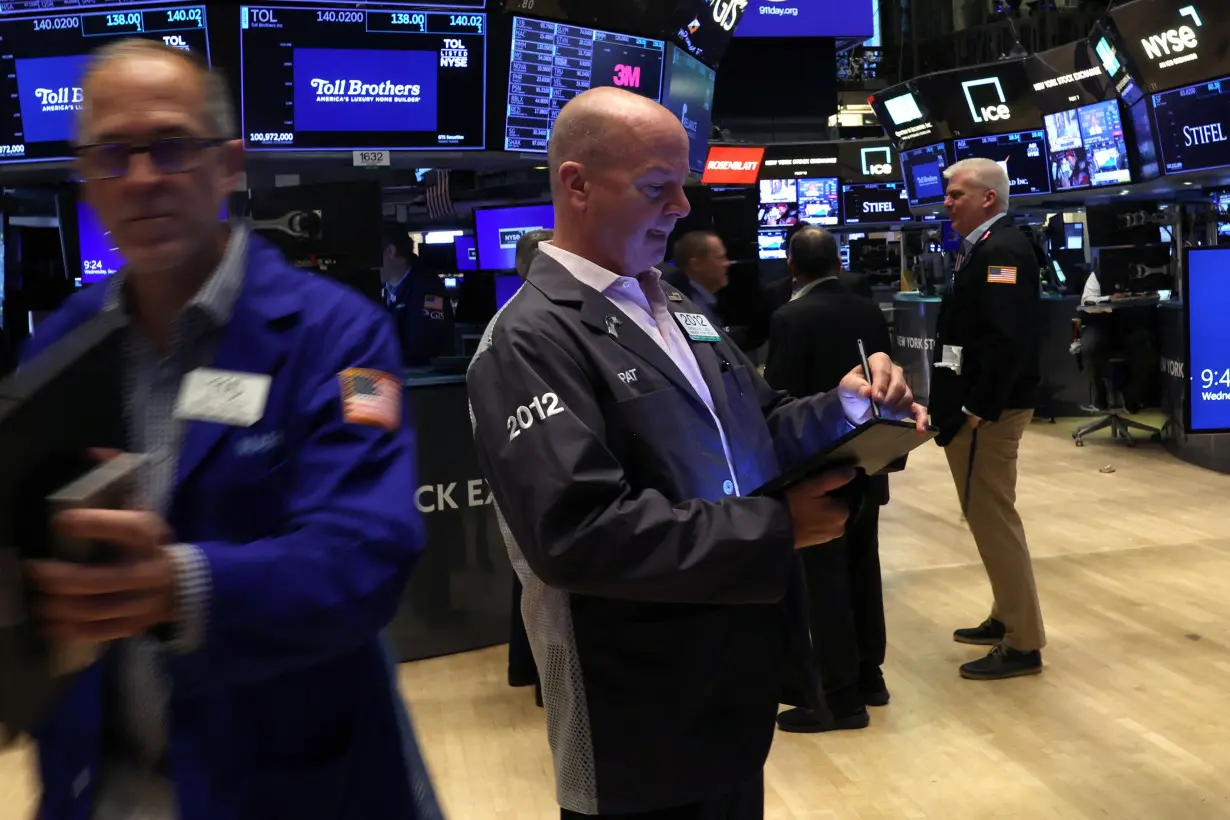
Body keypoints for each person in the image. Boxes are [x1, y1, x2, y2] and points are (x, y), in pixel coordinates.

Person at [467, 86, 926, 820]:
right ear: (575, 184)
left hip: (729, 675)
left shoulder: (673, 305)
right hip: (632, 708)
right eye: (657, 187)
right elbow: (577, 535)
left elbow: (759, 425)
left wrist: (847, 407)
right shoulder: (528, 339)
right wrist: (777, 529)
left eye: (682, 184)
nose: (682, 207)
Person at [20, 39, 438, 820]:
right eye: (113, 154)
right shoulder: (63, 343)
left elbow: (366, 551)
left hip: (292, 787)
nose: (142, 178)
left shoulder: (337, 335)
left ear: (229, 165)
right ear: (85, 175)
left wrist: (179, 588)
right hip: (102, 784)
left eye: (171, 146)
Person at [763, 226, 894, 732]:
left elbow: (780, 399)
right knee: (864, 568)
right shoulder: (867, 309)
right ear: (838, 262)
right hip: (871, 457)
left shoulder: (790, 317)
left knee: (824, 581)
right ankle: (870, 678)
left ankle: (839, 699)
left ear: (793, 266)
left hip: (817, 469)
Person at [931, 157, 1045, 681]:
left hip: (987, 414)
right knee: (987, 516)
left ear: (988, 199)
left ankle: (1023, 642)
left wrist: (978, 407)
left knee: (993, 520)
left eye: (956, 194)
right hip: (980, 408)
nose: (947, 202)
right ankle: (1006, 617)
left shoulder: (1002, 249)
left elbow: (1006, 339)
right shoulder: (985, 247)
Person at [380, 222, 455, 367]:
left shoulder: (429, 288)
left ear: (390, 252)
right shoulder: (387, 288)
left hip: (423, 383)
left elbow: (425, 345)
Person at [661, 230, 730, 326]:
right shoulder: (688, 306)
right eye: (720, 258)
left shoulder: (707, 299)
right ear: (696, 264)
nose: (727, 264)